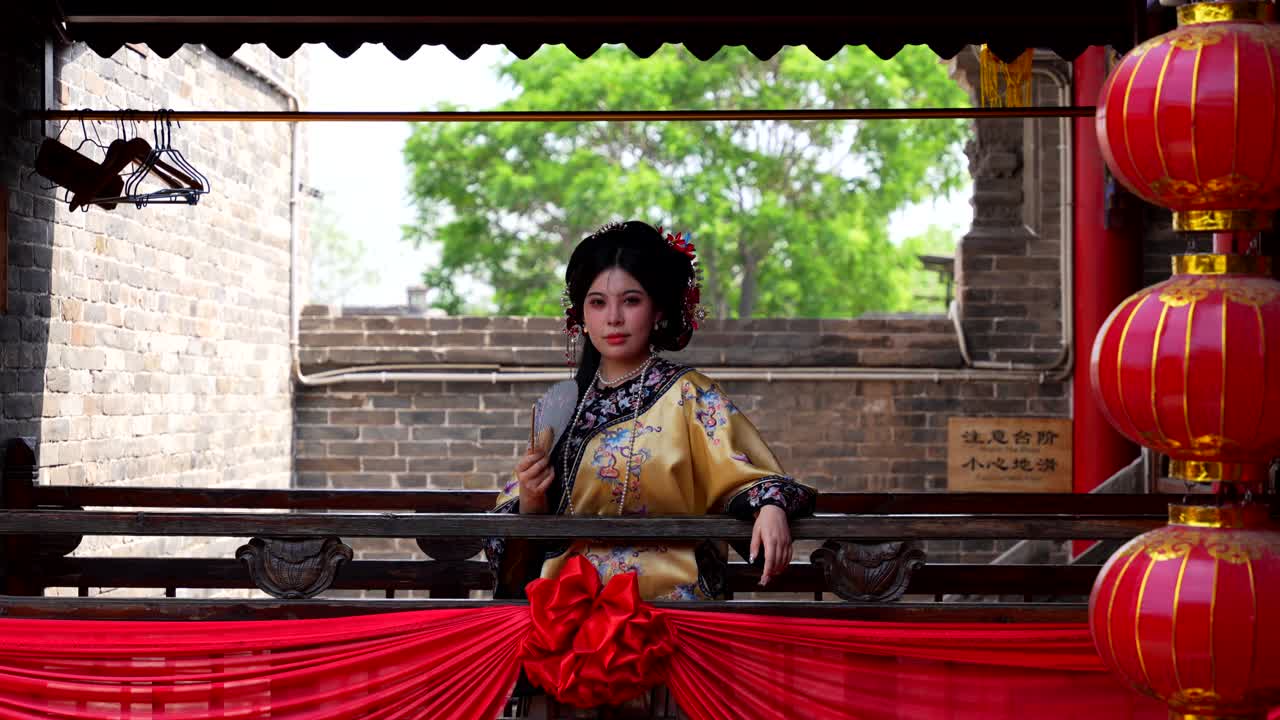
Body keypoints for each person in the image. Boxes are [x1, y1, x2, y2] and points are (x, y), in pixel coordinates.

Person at [485, 220, 816, 603]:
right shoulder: (565, 408)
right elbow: (511, 530)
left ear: (657, 308)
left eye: (631, 300)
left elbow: (751, 476)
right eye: (597, 302)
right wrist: (532, 499)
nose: (613, 318)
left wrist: (771, 506)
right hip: (569, 602)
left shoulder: (690, 395)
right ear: (581, 315)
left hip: (670, 602)